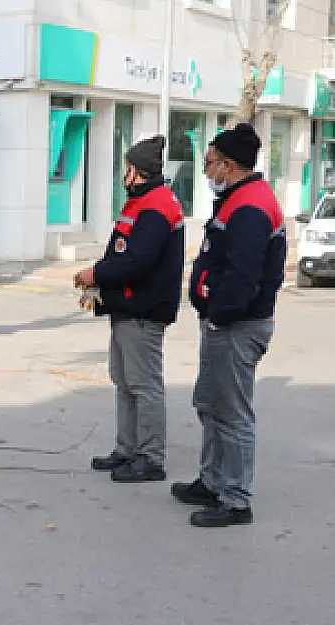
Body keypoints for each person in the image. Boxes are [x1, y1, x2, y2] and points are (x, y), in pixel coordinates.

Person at [173, 122, 285, 528]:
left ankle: (235, 500)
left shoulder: (251, 207)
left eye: (209, 163)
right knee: (211, 404)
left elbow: (243, 277)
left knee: (232, 412)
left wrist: (218, 314)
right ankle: (212, 480)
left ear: (229, 165)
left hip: (237, 326)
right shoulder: (239, 198)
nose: (206, 171)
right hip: (225, 324)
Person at [74, 135, 185, 483]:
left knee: (144, 385)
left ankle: (151, 458)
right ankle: (127, 449)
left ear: (136, 171)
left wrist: (96, 273)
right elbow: (123, 251)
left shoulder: (155, 206)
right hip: (126, 307)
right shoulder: (142, 201)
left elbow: (137, 261)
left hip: (143, 310)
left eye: (126, 168)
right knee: (124, 381)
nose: (123, 173)